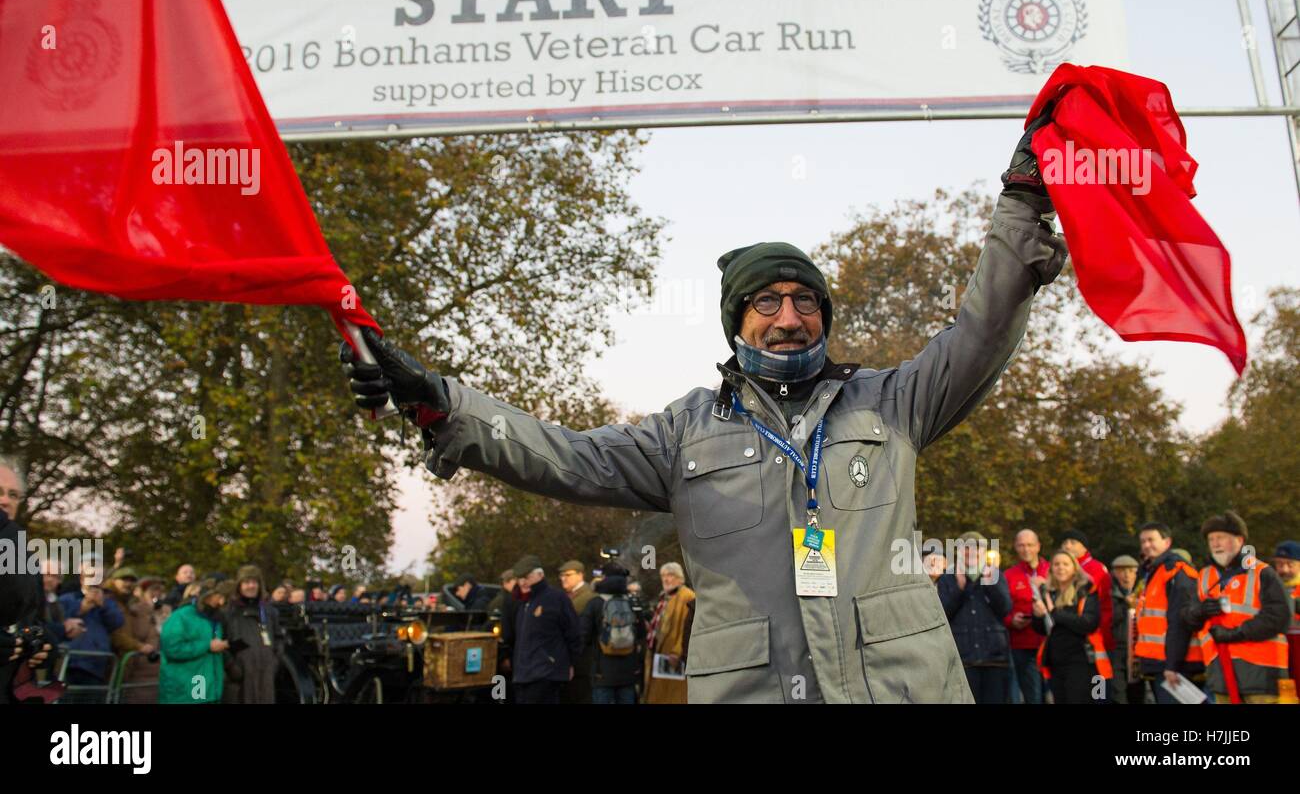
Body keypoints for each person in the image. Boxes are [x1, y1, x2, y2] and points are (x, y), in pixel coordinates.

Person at [340, 110, 1068, 703]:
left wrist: (1022, 200)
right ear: (735, 321)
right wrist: (438, 400)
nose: (790, 316)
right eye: (767, 301)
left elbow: (981, 333)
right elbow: (561, 453)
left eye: (806, 299)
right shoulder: (681, 432)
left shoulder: (892, 402)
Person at [1181, 511, 1291, 704]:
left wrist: (1236, 634)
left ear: (1239, 540)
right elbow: (1187, 617)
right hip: (1220, 673)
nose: (1215, 543)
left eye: (1220, 538)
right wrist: (1200, 611)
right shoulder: (1204, 576)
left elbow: (1279, 617)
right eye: (1211, 539)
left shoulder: (1262, 573)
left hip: (1261, 675)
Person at [0, 458, 54, 703]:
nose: (6, 501)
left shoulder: (25, 555)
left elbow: (34, 616)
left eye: (13, 495)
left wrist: (42, 645)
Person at [937, 533, 1013, 704]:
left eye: (977, 548)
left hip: (994, 658)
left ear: (984, 551)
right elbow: (943, 614)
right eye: (966, 548)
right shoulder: (948, 578)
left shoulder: (995, 575)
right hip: (963, 660)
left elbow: (1005, 609)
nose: (971, 552)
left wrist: (990, 584)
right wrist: (959, 589)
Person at [1132, 523, 1202, 704]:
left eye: (1151, 540)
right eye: (1143, 541)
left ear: (1167, 542)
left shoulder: (1175, 571)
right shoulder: (1153, 571)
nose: (1146, 545)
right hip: (1159, 662)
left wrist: (1173, 665)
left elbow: (1180, 621)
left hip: (1175, 665)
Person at [1031, 550, 1110, 704]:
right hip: (1055, 661)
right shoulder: (1048, 592)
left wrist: (1055, 613)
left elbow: (1089, 623)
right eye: (1056, 564)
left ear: (1074, 567)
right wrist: (1038, 616)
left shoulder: (1086, 590)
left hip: (1081, 660)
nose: (1061, 568)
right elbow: (1042, 629)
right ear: (1051, 568)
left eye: (1065, 564)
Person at [506, 554, 581, 704]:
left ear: (540, 574)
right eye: (519, 578)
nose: (523, 582)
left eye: (527, 577)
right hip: (523, 675)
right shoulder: (522, 603)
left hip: (546, 673)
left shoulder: (556, 599)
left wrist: (570, 663)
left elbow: (574, 634)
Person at [56, 561, 124, 693]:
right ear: (82, 578)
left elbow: (117, 623)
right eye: (91, 575)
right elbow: (57, 622)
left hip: (96, 665)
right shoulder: (67, 599)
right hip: (68, 663)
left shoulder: (109, 603)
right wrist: (81, 608)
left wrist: (103, 606)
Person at [582, 562, 645, 705]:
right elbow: (641, 633)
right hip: (628, 673)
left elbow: (583, 635)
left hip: (602, 673)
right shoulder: (632, 602)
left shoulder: (595, 603)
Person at [159, 578, 227, 704]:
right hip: (187, 689)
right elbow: (172, 648)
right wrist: (207, 646)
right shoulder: (181, 616)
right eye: (220, 596)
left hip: (209, 689)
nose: (222, 601)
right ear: (208, 595)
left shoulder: (215, 618)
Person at [222, 565, 281, 704]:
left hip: (265, 673)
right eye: (247, 582)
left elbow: (279, 638)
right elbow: (221, 642)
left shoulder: (269, 611)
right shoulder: (229, 612)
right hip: (240, 677)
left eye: (254, 582)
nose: (251, 586)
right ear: (239, 585)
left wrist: (275, 661)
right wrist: (232, 666)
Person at [1003, 528, 1049, 705]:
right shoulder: (1009, 575)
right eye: (1021, 545)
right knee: (1033, 696)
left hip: (1051, 644)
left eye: (1030, 545)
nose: (1026, 549)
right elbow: (1002, 610)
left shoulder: (1054, 570)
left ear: (1038, 546)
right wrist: (1011, 620)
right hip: (1022, 644)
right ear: (1015, 547)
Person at [104, 566, 161, 702]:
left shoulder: (127, 606)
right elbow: (115, 634)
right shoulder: (108, 602)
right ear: (113, 581)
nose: (128, 583)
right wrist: (139, 646)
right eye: (124, 579)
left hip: (124, 662)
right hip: (109, 661)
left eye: (131, 580)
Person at [643, 562, 695, 704]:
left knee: (673, 695)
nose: (666, 579)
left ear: (679, 577)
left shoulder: (687, 596)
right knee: (660, 694)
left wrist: (677, 651)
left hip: (673, 655)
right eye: (663, 575)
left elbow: (687, 627)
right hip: (659, 653)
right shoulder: (665, 596)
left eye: (670, 575)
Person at [558, 559, 598, 704]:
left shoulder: (587, 598)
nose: (563, 579)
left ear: (580, 575)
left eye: (567, 575)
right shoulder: (570, 596)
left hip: (581, 662)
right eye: (561, 575)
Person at [1108, 555, 1145, 704]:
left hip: (1137, 652)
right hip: (1116, 651)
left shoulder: (1143, 593)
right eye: (1121, 571)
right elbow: (1108, 620)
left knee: (1137, 694)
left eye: (1131, 571)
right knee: (1117, 695)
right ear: (1114, 574)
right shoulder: (1108, 594)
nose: (1127, 575)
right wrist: (1125, 606)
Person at [1273, 541, 1300, 687]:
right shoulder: (1269, 589)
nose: (1284, 569)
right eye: (1279, 564)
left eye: (1290, 564)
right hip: (1278, 652)